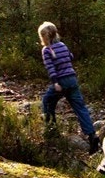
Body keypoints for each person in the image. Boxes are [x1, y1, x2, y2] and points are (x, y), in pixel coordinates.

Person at [38, 21, 99, 153]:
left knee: (47, 101)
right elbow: (70, 57)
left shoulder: (46, 50)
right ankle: (92, 135)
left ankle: (51, 131)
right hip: (72, 79)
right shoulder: (62, 45)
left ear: (44, 37)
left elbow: (51, 68)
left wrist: (55, 82)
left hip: (61, 81)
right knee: (80, 107)